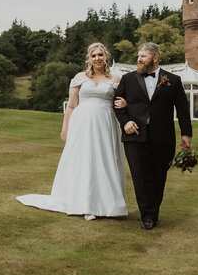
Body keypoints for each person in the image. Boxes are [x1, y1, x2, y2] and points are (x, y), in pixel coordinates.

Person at [16, 42, 128, 220]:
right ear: (89, 59)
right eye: (94, 56)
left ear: (106, 56)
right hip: (83, 124)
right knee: (85, 161)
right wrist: (65, 129)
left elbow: (124, 101)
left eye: (100, 55)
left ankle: (110, 205)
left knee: (105, 160)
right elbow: (71, 106)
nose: (97, 58)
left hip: (106, 123)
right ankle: (85, 203)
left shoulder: (117, 79)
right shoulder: (80, 77)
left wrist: (125, 103)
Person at [113, 42, 192, 230]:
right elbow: (115, 104)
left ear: (155, 59)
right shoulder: (127, 79)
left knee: (158, 176)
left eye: (143, 56)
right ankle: (147, 216)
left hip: (163, 137)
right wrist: (125, 122)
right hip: (134, 137)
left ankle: (153, 212)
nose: (138, 59)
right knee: (140, 177)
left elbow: (182, 110)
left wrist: (186, 134)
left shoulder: (173, 80)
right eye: (139, 56)